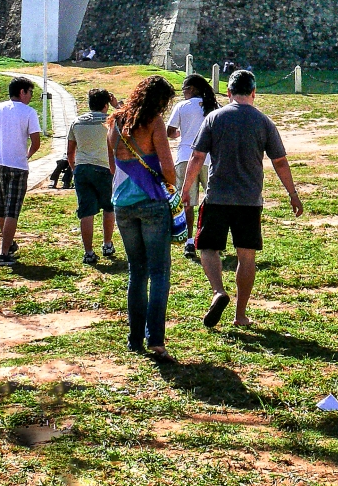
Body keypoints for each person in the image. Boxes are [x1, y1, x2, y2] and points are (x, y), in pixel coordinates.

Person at [183, 70, 303, 329]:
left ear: (228, 93)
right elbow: (280, 161)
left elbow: (197, 157)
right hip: (249, 200)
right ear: (253, 93)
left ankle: (218, 291)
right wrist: (292, 194)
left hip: (217, 197)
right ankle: (240, 315)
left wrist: (186, 189)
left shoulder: (214, 118)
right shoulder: (263, 121)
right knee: (246, 257)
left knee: (207, 248)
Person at [108, 75, 177, 359]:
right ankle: (156, 340)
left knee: (137, 272)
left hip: (122, 203)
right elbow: (168, 166)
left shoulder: (115, 121)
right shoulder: (155, 123)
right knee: (159, 272)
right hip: (151, 202)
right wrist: (171, 188)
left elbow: (113, 165)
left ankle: (134, 338)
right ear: (159, 101)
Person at [0, 77, 42, 267]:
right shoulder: (29, 112)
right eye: (30, 92)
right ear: (22, 92)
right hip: (18, 165)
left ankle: (9, 243)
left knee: (1, 206)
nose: (31, 96)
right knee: (12, 209)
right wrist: (27, 155)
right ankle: (4, 253)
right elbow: (36, 142)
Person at [166, 74, 220, 259]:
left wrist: (182, 134)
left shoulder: (181, 107)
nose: (183, 93)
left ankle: (189, 241)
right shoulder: (213, 107)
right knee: (213, 201)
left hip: (185, 157)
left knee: (187, 202)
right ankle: (212, 238)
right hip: (208, 159)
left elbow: (170, 131)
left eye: (185, 89)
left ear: (193, 89)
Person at [68, 88, 117, 266]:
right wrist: (117, 105)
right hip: (104, 168)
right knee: (108, 208)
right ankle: (107, 244)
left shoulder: (77, 122)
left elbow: (70, 151)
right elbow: (127, 119)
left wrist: (75, 168)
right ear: (106, 105)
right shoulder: (110, 122)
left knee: (86, 211)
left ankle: (88, 252)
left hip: (82, 168)